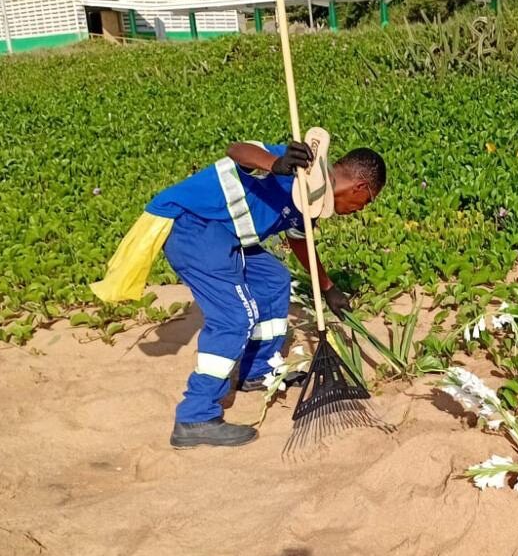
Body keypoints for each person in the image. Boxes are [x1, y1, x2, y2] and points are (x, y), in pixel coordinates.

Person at [92, 139, 386, 448]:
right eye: (366, 202)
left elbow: (300, 241)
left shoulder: (313, 201)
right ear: (359, 187)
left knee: (274, 280)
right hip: (195, 225)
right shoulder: (301, 165)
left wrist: (327, 288)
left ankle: (256, 371)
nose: (358, 211)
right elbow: (237, 150)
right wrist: (277, 163)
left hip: (228, 236)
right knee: (234, 317)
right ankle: (195, 417)